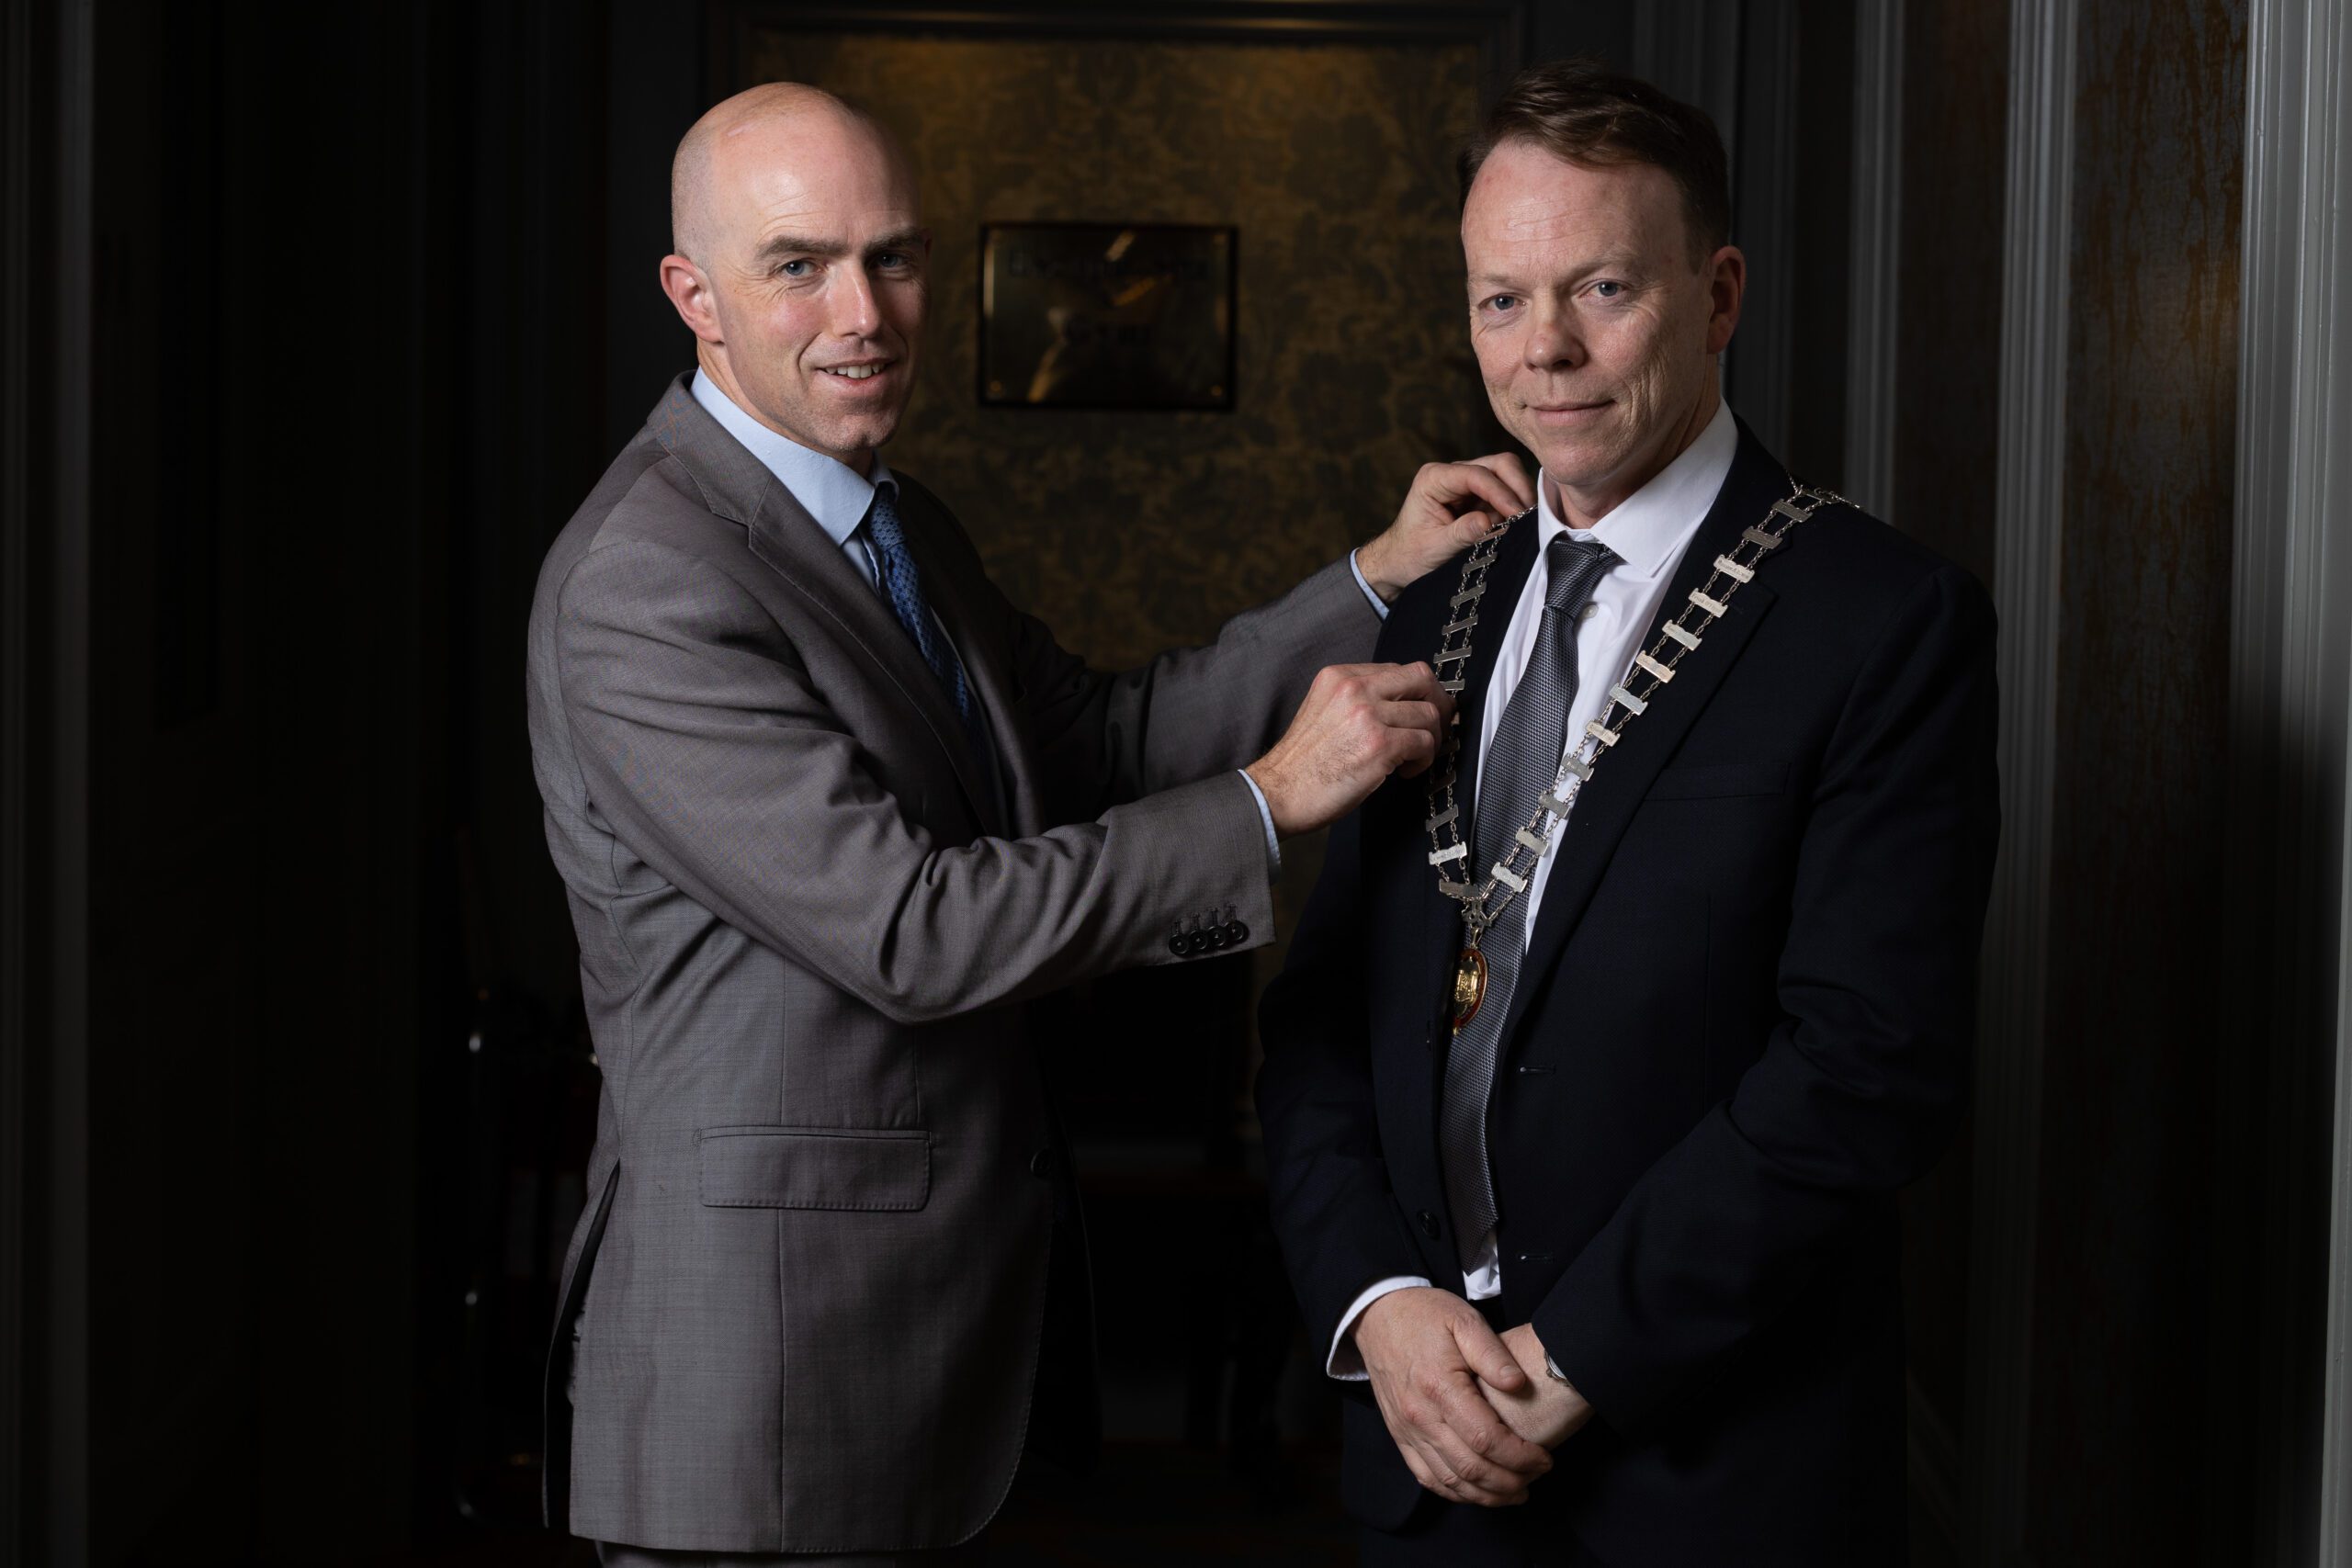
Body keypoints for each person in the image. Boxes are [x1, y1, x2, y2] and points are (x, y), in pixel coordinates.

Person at [525, 83, 1531, 1563]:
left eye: (897, 257)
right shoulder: (647, 580)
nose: (864, 311)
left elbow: (1103, 740)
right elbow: (910, 929)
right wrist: (1268, 800)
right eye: (798, 265)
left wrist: (1374, 574)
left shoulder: (893, 521)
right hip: (764, 1386)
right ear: (697, 296)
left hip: (916, 1342)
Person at [1255, 57, 2000, 1566]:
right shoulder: (1431, 615)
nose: (1549, 355)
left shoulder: (1880, 618)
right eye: (1500, 301)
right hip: (1424, 1445)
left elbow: (1869, 1068)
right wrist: (1379, 1312)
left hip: (1717, 1472)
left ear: (1718, 294)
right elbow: (1322, 1022)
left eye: (1603, 289)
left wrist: (1573, 1358)